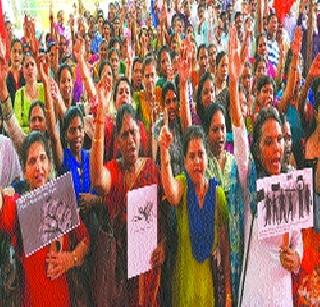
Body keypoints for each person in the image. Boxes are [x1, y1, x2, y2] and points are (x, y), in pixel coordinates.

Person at [228, 26, 302, 306]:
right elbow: (238, 131)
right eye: (268, 142)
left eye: (280, 140)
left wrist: (296, 259)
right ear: (258, 149)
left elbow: (298, 243)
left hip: (282, 296)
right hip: (253, 295)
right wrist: (234, 82)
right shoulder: (251, 179)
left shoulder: (292, 183)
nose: (276, 148)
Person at [90, 92, 165, 305]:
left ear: (141, 135)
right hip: (122, 272)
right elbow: (97, 179)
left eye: (133, 133)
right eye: (124, 135)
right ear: (117, 141)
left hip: (152, 271)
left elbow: (166, 215)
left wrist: (165, 246)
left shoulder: (152, 169)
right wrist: (99, 122)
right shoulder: (114, 170)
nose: (130, 140)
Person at [0, 132, 89, 306]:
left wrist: (72, 258)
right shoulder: (19, 206)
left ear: (50, 164)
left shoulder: (62, 199)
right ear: (24, 171)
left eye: (42, 158)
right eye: (32, 161)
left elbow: (85, 240)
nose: (39, 166)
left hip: (64, 300)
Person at [159, 124, 232, 306]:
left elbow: (225, 249)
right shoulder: (183, 186)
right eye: (191, 156)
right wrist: (164, 152)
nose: (197, 161)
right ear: (184, 162)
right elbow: (171, 192)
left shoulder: (218, 196)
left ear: (208, 157)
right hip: (184, 292)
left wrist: (229, 294)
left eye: (201, 154)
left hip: (209, 294)